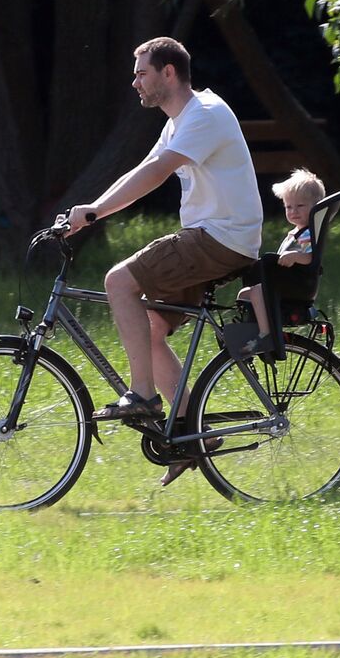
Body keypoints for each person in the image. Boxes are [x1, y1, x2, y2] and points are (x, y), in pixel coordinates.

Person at [62, 37, 262, 481]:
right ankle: (195, 434)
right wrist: (90, 209)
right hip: (212, 236)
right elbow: (141, 169)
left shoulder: (204, 116)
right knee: (151, 329)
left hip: (219, 238)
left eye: (142, 73)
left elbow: (157, 173)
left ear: (168, 73)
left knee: (119, 282)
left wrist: (94, 213)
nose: (135, 82)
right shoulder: (180, 121)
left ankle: (143, 395)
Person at [234, 168, 327, 349]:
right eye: (288, 207)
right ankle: (250, 332)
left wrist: (295, 256)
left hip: (299, 285)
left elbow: (310, 258)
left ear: (315, 208)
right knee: (244, 294)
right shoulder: (294, 233)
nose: (293, 211)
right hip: (289, 282)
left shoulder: (308, 234)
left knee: (256, 292)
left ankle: (265, 332)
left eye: (300, 206)